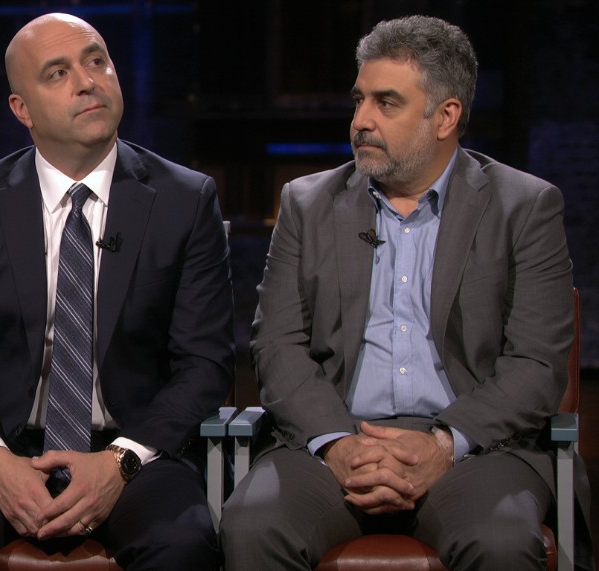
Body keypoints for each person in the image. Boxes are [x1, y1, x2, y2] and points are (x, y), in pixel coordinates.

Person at [220, 14, 593, 570]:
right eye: (359, 100)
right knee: (252, 525)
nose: (361, 121)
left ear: (445, 116)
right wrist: (339, 444)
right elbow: (277, 345)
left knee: (499, 541)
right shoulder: (306, 203)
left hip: (474, 450)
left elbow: (536, 363)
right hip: (333, 440)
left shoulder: (525, 207)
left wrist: (444, 445)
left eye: (386, 103)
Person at [0, 12, 234, 571]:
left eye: (97, 61)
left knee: (182, 547)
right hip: (0, 449)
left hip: (135, 451)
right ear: (22, 109)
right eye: (58, 72)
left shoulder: (185, 200)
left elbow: (206, 364)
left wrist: (120, 463)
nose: (87, 81)